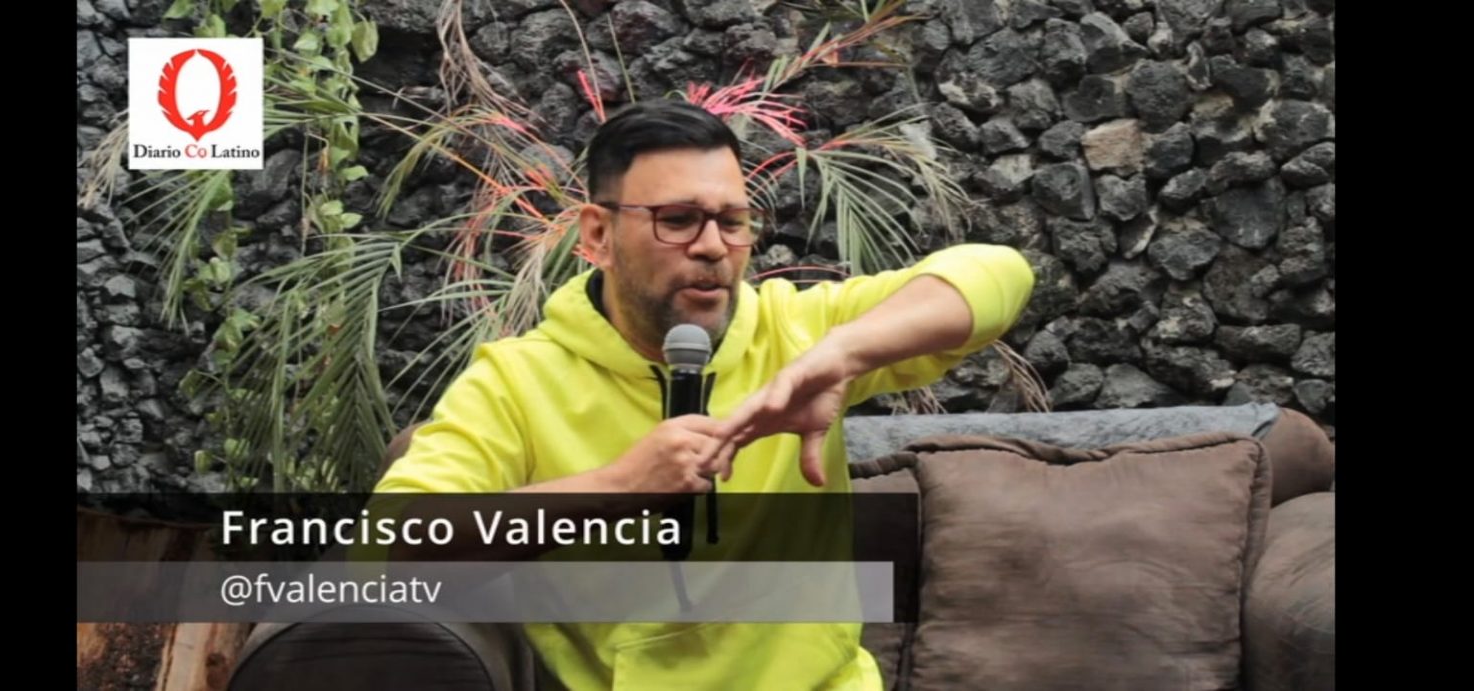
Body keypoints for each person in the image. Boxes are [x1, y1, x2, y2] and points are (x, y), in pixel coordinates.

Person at [374, 99, 1036, 690]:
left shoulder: (796, 331)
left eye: (732, 220)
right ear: (598, 235)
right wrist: (617, 488)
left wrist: (841, 354)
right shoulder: (517, 381)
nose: (714, 247)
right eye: (679, 220)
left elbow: (996, 276)